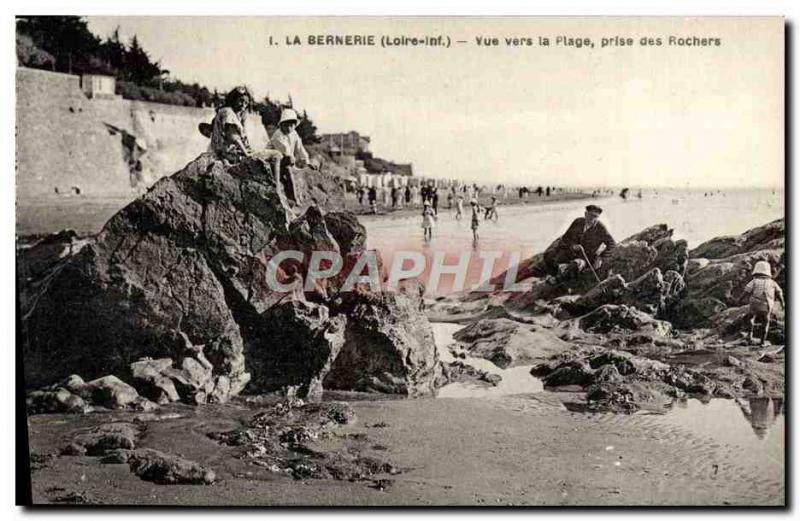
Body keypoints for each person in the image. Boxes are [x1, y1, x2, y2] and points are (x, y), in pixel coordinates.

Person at [543, 205, 616, 282]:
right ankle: (552, 274)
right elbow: (565, 238)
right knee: (548, 255)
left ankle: (557, 280)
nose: (592, 219)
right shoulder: (578, 222)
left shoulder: (600, 228)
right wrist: (573, 246)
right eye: (590, 216)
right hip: (571, 252)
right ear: (585, 214)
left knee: (575, 265)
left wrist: (600, 257)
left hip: (585, 258)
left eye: (595, 217)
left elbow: (612, 244)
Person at [269, 108, 311, 202]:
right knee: (288, 168)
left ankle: (292, 198)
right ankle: (292, 198)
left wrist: (307, 161)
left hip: (284, 162)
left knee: (289, 168)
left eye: (291, 125)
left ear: (294, 125)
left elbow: (300, 148)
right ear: (281, 125)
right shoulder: (278, 135)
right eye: (286, 125)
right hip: (272, 161)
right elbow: (285, 150)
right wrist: (292, 160)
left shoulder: (294, 134)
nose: (289, 128)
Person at [741, 261, 785, 345]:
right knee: (765, 321)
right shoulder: (772, 282)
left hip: (755, 303)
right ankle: (762, 342)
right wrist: (782, 303)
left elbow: (746, 291)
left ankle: (749, 336)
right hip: (767, 304)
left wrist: (740, 299)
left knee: (751, 317)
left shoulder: (754, 281)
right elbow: (779, 292)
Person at [207, 86, 253, 163]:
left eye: (246, 103)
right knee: (276, 156)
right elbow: (233, 137)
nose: (243, 105)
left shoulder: (234, 114)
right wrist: (247, 154)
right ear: (234, 99)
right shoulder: (228, 113)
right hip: (225, 153)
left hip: (226, 151)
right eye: (241, 101)